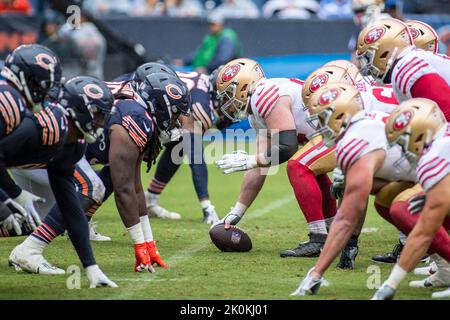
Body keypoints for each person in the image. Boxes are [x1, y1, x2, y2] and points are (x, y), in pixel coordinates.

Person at [7, 75, 117, 288]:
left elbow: (70, 208)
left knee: (29, 220)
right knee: (9, 210)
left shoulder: (74, 145)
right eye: (97, 115)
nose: (102, 123)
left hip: (13, 166)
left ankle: (27, 249)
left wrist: (91, 268)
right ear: (79, 109)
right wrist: (13, 193)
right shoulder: (43, 127)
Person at [373, 99, 450, 299]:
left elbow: (424, 233)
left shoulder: (433, 157)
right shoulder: (444, 139)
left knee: (426, 218)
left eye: (402, 141)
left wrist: (391, 284)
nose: (401, 149)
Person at [0, 44, 62, 235]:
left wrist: (12, 195)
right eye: (40, 86)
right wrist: (6, 201)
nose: (44, 95)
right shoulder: (9, 101)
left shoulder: (10, 95)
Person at [356, 18, 450, 116]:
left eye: (368, 57)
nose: (366, 65)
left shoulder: (408, 67)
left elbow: (446, 114)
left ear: (384, 52)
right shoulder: (407, 63)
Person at [172, 13, 242, 74]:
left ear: (221, 24)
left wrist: (206, 69)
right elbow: (199, 53)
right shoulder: (210, 36)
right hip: (198, 68)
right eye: (210, 24)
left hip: (216, 72)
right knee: (174, 69)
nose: (211, 26)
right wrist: (184, 61)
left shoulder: (227, 37)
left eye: (213, 24)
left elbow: (222, 58)